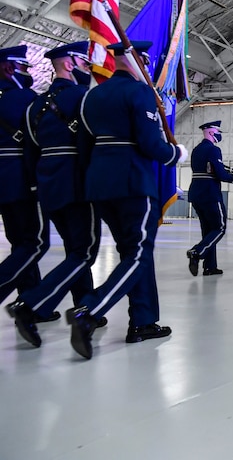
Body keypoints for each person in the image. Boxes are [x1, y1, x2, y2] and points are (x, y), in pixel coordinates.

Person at [66, 40, 188, 359]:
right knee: (138, 254)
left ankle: (143, 321)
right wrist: (175, 153)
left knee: (133, 253)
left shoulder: (92, 95)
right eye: (145, 62)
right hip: (132, 181)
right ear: (137, 60)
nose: (147, 68)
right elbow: (150, 144)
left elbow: (83, 147)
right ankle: (89, 312)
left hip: (100, 184)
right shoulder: (140, 92)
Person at [6, 42, 105, 347]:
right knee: (84, 251)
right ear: (70, 63)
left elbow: (30, 149)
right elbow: (94, 139)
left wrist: (37, 185)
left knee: (75, 250)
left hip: (48, 185)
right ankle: (33, 304)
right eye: (84, 62)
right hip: (75, 182)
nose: (88, 67)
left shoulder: (36, 105)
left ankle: (86, 304)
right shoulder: (81, 97)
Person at [0, 45, 49, 309]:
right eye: (23, 67)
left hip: (2, 183)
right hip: (20, 179)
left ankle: (32, 300)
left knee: (19, 242)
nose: (28, 73)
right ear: (9, 68)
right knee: (33, 242)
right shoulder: (23, 97)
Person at [186, 120, 233, 276]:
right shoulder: (213, 150)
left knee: (208, 231)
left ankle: (210, 267)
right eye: (217, 132)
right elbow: (221, 174)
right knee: (219, 228)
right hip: (210, 194)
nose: (219, 135)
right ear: (211, 133)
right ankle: (196, 252)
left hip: (196, 193)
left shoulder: (196, 150)